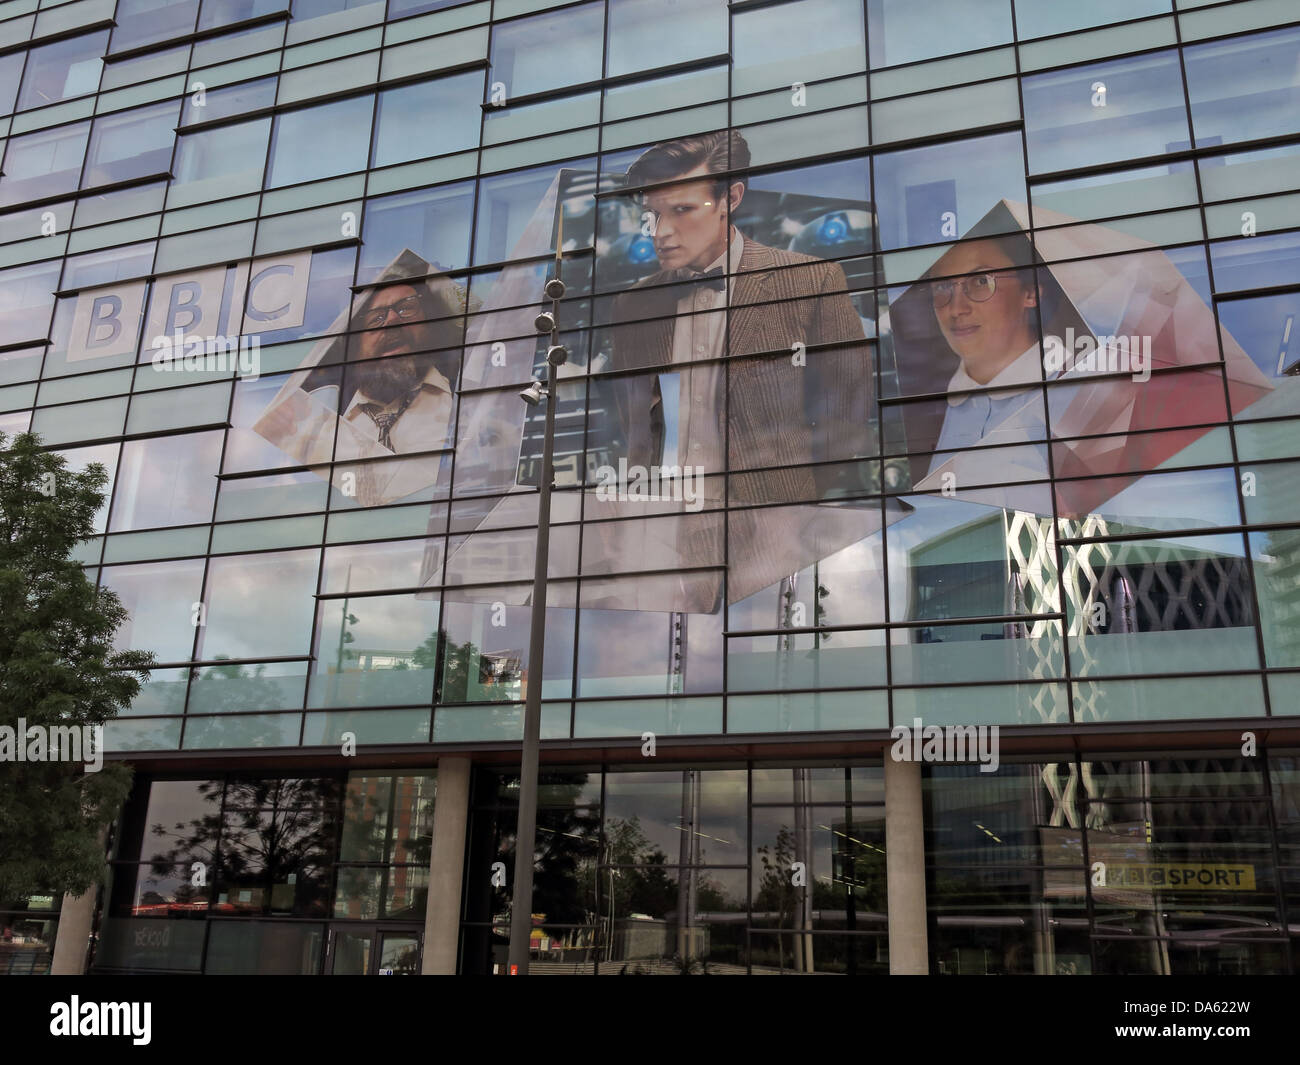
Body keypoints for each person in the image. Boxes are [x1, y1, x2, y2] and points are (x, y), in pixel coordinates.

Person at [595, 131, 879, 610]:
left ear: (731, 198)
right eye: (652, 215)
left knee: (775, 648)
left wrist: (797, 504)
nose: (659, 232)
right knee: (686, 658)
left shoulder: (811, 280)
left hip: (777, 519)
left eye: (681, 210)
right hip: (672, 522)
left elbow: (846, 413)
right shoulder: (633, 303)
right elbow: (633, 424)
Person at [253, 251, 465, 506]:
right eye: (376, 318)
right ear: (356, 347)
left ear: (429, 325)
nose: (391, 321)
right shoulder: (315, 423)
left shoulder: (467, 398)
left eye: (406, 308)